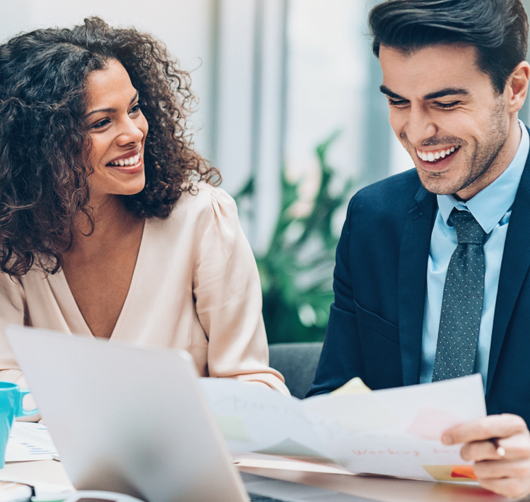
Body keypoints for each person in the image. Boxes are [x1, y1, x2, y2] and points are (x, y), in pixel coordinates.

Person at [0, 17, 289, 408]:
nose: (134, 133)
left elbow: (254, 385)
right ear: (39, 144)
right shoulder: (12, 236)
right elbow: (4, 382)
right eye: (102, 122)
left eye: (133, 109)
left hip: (183, 466)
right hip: (45, 469)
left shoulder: (203, 218)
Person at [308, 0, 530, 498]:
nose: (416, 131)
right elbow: (332, 396)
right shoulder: (373, 218)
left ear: (514, 88)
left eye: (446, 103)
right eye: (398, 102)